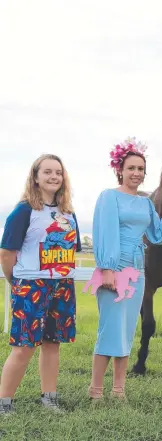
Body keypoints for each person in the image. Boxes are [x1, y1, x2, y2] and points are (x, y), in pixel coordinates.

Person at [86, 137, 162, 401]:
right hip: (114, 270)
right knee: (109, 328)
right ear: (120, 170)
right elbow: (104, 232)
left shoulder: (145, 203)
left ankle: (119, 390)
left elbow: (159, 235)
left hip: (137, 272)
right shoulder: (108, 197)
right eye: (131, 168)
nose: (136, 173)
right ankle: (95, 389)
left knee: (127, 329)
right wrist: (106, 269)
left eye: (141, 169)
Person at [0, 154, 81, 415]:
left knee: (52, 343)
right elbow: (6, 253)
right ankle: (4, 402)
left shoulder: (68, 213)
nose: (54, 176)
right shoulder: (24, 210)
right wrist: (17, 282)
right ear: (35, 177)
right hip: (31, 285)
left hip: (62, 284)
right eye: (47, 172)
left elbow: (70, 249)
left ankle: (49, 398)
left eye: (58, 172)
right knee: (24, 347)